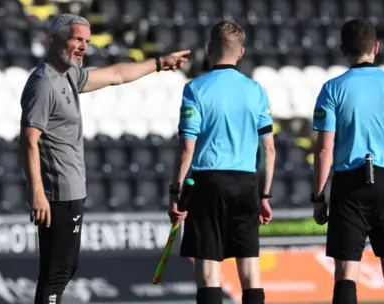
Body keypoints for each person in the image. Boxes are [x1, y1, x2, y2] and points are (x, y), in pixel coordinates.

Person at [19, 13, 190, 304]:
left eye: (87, 41)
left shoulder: (68, 74)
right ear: (54, 38)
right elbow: (28, 140)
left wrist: (159, 63)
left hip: (72, 191)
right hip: (57, 194)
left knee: (64, 269)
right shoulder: (44, 83)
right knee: (56, 273)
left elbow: (115, 75)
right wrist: (37, 193)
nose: (84, 46)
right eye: (77, 39)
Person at [311, 19, 384, 304]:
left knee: (347, 271)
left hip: (350, 184)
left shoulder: (332, 89)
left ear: (343, 49)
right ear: (377, 47)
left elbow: (324, 149)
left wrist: (319, 196)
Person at [169, 21, 275, 304]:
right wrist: (264, 195)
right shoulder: (255, 90)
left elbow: (186, 147)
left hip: (208, 182)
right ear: (240, 53)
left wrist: (175, 191)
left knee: (208, 266)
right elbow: (269, 149)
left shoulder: (195, 88)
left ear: (210, 48)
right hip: (246, 183)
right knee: (250, 267)